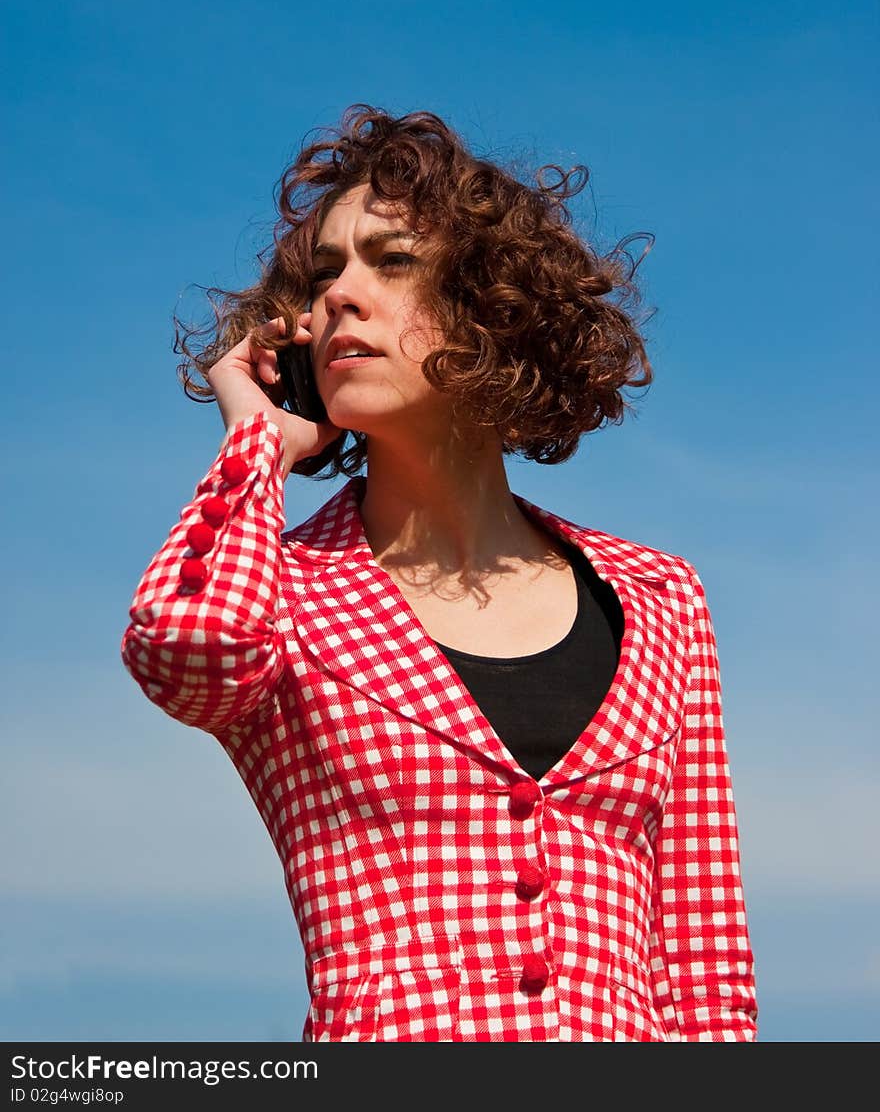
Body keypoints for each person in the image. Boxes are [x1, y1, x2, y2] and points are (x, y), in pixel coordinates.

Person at [121, 104, 758, 1042]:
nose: (341, 293)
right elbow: (188, 653)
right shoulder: (276, 592)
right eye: (323, 272)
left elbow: (706, 969)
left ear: (492, 304)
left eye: (391, 261)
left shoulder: (661, 598)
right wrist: (259, 440)